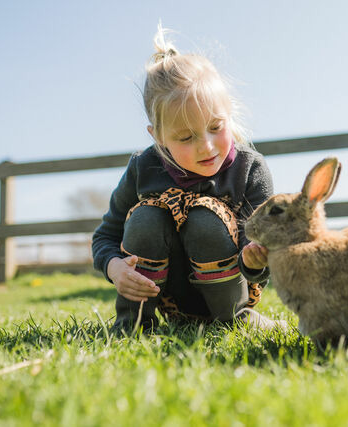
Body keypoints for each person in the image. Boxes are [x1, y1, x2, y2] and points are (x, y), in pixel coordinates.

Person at [92, 24, 285, 332]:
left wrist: (256, 257)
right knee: (146, 217)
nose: (206, 146)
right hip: (165, 294)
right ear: (159, 138)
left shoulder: (250, 170)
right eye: (185, 137)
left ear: (229, 112)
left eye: (215, 127)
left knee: (204, 219)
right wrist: (114, 268)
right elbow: (105, 236)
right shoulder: (144, 168)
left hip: (229, 291)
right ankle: (134, 323)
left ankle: (234, 319)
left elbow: (261, 252)